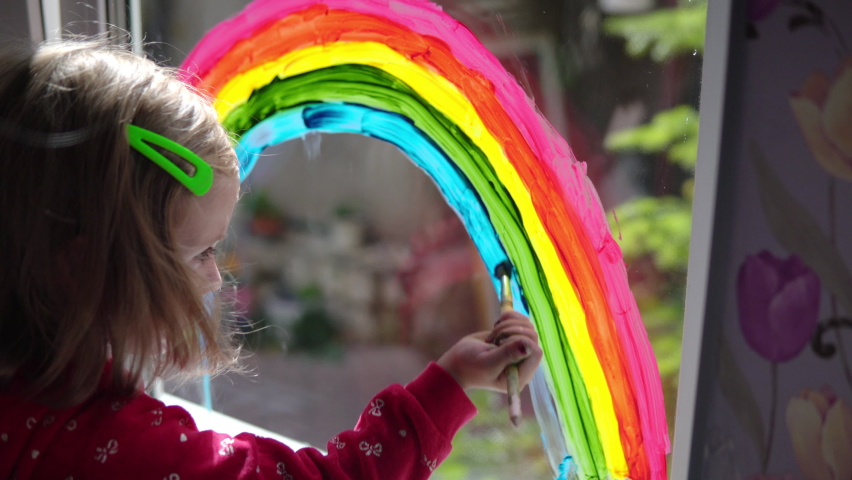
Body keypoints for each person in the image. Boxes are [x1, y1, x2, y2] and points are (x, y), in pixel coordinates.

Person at [0, 38, 543, 480]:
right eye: (201, 252)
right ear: (84, 268)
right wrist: (450, 382)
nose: (214, 277)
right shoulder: (140, 454)